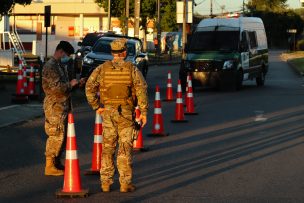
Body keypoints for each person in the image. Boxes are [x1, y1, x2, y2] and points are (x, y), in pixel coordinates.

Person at [85, 38, 148, 193]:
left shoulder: (102, 69)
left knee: (108, 148)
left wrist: (96, 106)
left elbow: (89, 87)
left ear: (112, 53)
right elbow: (141, 89)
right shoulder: (132, 69)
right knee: (125, 149)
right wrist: (144, 112)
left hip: (107, 113)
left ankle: (105, 183)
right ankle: (125, 183)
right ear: (124, 52)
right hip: (126, 113)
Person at [42, 41, 85, 176]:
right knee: (55, 135)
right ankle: (49, 166)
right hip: (55, 106)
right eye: (67, 55)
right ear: (60, 52)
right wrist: (71, 84)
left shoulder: (60, 65)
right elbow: (58, 88)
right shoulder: (50, 67)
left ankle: (56, 162)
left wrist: (77, 83)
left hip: (63, 106)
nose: (68, 58)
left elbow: (66, 86)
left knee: (62, 136)